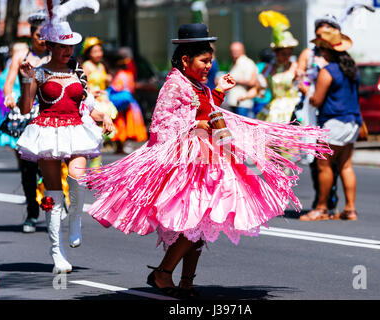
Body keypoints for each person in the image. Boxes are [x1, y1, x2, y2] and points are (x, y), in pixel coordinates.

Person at [81, 23, 331, 299]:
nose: (209, 66)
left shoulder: (196, 83)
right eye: (204, 60)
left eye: (210, 60)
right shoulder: (174, 84)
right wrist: (198, 122)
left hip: (206, 160)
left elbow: (206, 110)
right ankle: (163, 273)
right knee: (196, 222)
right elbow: (162, 127)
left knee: (203, 222)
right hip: (184, 164)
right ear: (186, 60)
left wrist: (219, 93)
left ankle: (186, 282)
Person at [16, 0, 114, 273]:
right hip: (47, 132)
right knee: (53, 195)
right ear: (50, 46)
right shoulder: (38, 72)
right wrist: (26, 80)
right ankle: (57, 252)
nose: (67, 51)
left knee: (77, 177)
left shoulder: (77, 69)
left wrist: (103, 115)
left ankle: (76, 222)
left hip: (75, 130)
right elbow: (26, 108)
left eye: (70, 46)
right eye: (62, 47)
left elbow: (87, 102)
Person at [298, 27, 361, 221]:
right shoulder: (352, 69)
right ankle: (350, 209)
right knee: (346, 165)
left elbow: (316, 100)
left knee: (323, 166)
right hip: (353, 122)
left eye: (322, 49)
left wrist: (304, 89)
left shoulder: (328, 71)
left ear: (327, 50)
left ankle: (321, 208)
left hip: (334, 122)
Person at [1, 11, 50, 233]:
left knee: (53, 161)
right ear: (32, 35)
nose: (42, 38)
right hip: (27, 112)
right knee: (29, 165)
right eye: (39, 34)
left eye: (46, 34)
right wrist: (9, 95)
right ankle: (32, 212)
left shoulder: (56, 56)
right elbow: (9, 82)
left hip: (51, 115)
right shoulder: (22, 55)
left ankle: (56, 201)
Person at [296, 16, 341, 218]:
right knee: (315, 157)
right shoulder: (309, 53)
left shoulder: (338, 54)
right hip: (311, 108)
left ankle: (331, 197)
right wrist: (308, 90)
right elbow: (300, 79)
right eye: (318, 33)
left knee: (334, 158)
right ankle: (320, 198)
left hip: (333, 108)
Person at [82, 36, 118, 159]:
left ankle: (96, 169)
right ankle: (94, 169)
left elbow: (105, 83)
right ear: (88, 53)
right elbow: (82, 85)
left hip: (105, 101)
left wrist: (108, 79)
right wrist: (91, 92)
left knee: (105, 133)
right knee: (96, 136)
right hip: (93, 102)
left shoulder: (101, 66)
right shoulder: (86, 66)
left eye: (100, 51)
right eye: (95, 51)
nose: (98, 54)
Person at [256, 24, 300, 124]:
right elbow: (259, 88)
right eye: (283, 54)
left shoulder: (295, 66)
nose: (287, 57)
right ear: (276, 53)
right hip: (274, 109)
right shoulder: (268, 68)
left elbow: (304, 84)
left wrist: (302, 84)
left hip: (292, 109)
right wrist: (246, 96)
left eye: (289, 54)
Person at [106, 52, 148, 153]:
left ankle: (120, 146)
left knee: (121, 123)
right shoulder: (130, 75)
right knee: (128, 124)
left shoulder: (121, 75)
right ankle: (124, 146)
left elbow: (117, 87)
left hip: (120, 102)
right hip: (130, 103)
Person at [224, 41, 258, 117]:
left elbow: (252, 82)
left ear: (242, 50)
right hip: (233, 102)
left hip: (243, 103)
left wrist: (233, 80)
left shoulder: (247, 63)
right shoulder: (235, 62)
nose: (234, 53)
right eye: (232, 51)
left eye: (236, 51)